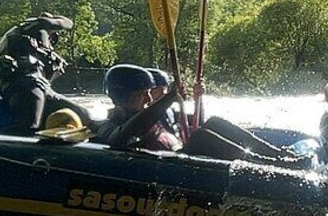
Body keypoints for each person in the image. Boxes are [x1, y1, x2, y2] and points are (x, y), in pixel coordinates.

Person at [92, 64, 306, 167]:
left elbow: (197, 123)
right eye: (143, 94)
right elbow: (122, 137)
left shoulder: (152, 116)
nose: (149, 99)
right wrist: (169, 98)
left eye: (151, 93)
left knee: (213, 123)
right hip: (171, 170)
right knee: (199, 137)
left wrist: (197, 99)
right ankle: (263, 163)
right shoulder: (107, 125)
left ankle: (277, 156)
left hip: (186, 159)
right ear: (124, 95)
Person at [0, 13, 96, 135]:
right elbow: (67, 23)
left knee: (84, 115)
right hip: (25, 85)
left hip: (41, 87)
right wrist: (54, 19)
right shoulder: (34, 26)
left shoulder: (32, 42)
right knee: (29, 127)